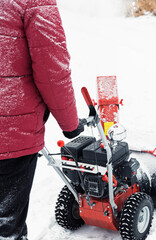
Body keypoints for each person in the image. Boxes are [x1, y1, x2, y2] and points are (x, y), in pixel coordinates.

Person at [0, 0, 83, 239]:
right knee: (6, 227)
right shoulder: (33, 3)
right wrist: (70, 125)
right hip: (10, 138)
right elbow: (52, 70)